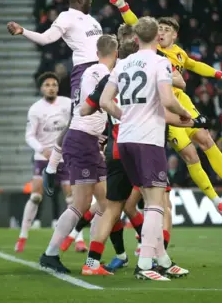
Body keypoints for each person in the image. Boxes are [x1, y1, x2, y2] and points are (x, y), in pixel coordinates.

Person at [111, 0, 222, 222]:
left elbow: (195, 65)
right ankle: (217, 202)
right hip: (163, 107)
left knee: (206, 140)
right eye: (160, 29)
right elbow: (135, 23)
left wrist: (219, 74)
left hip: (182, 100)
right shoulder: (151, 49)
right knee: (190, 155)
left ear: (174, 35)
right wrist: (123, 5)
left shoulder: (179, 53)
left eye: (166, 29)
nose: (162, 32)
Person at [79, 32, 209, 276]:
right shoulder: (151, 72)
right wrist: (193, 121)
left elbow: (86, 108)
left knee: (114, 208)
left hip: (118, 149)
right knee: (156, 205)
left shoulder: (110, 78)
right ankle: (150, 262)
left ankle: (93, 262)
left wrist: (113, 120)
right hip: (146, 146)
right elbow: (168, 110)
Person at [99, 17, 190, 281]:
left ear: (136, 38)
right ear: (157, 38)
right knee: (155, 204)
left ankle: (162, 260)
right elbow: (167, 100)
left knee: (152, 202)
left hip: (124, 140)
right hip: (148, 140)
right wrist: (184, 114)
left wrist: (124, 115)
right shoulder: (161, 62)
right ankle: (145, 265)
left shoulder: (123, 64)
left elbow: (105, 100)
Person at [7, 0, 102, 185]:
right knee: (78, 118)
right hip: (84, 72)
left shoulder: (93, 21)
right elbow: (45, 39)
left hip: (101, 70)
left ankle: (97, 157)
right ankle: (52, 166)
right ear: (79, 0)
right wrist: (22, 31)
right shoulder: (66, 17)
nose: (91, 2)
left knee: (103, 116)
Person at [37, 35, 116, 274]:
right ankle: (50, 254)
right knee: (81, 203)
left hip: (86, 140)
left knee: (105, 202)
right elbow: (101, 105)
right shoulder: (102, 73)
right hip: (82, 141)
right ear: (116, 52)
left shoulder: (88, 74)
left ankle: (92, 261)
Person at [16, 72, 72, 252]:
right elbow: (29, 136)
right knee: (36, 196)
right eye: (47, 85)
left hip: (65, 157)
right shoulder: (35, 109)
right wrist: (42, 149)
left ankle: (76, 239)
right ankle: (23, 236)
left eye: (54, 84)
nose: (51, 87)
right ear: (41, 88)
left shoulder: (67, 103)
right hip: (44, 158)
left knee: (72, 199)